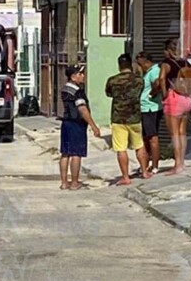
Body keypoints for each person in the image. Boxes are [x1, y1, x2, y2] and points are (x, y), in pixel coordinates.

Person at [105, 54, 151, 185]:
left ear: (119, 66)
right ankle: (144, 172)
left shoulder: (112, 80)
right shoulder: (139, 80)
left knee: (121, 149)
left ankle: (125, 177)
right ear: (131, 64)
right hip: (135, 116)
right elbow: (141, 91)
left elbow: (108, 93)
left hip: (118, 118)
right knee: (139, 146)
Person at [159, 38, 191, 175]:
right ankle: (182, 163)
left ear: (167, 51)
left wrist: (165, 94)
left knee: (174, 134)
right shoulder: (185, 62)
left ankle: (177, 165)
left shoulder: (166, 63)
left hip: (173, 99)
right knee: (182, 133)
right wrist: (190, 90)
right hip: (186, 99)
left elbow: (161, 78)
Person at [59, 65, 101, 191]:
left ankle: (64, 182)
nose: (83, 76)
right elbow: (82, 109)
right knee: (76, 153)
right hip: (76, 124)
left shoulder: (65, 89)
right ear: (73, 77)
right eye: (80, 74)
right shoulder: (77, 92)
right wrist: (93, 126)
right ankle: (74, 183)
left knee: (65, 153)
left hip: (66, 123)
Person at [136, 51, 162, 173]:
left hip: (150, 108)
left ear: (146, 62)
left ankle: (155, 165)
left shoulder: (154, 71)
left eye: (140, 64)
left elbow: (158, 82)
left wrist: (152, 94)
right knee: (146, 137)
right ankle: (146, 164)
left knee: (152, 137)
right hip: (145, 108)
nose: (139, 66)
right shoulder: (147, 73)